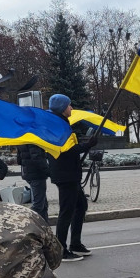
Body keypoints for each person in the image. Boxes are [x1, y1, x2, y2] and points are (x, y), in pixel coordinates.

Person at [47, 94, 97, 261]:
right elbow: (66, 150)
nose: (72, 108)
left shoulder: (60, 123)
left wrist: (84, 145)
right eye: (69, 106)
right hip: (65, 175)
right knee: (66, 212)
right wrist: (87, 145)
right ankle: (61, 250)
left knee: (80, 206)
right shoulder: (58, 125)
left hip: (69, 174)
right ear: (62, 108)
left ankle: (75, 243)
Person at [17, 143, 50, 222]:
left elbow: (19, 160)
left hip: (29, 173)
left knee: (43, 204)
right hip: (37, 174)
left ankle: (44, 226)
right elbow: (37, 158)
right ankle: (26, 223)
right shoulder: (33, 142)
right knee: (38, 205)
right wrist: (48, 171)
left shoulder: (21, 140)